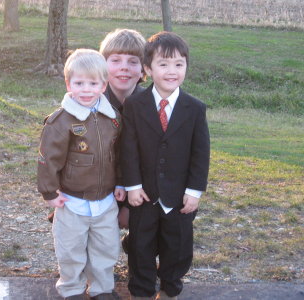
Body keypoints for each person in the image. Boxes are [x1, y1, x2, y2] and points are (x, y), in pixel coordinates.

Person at [121, 31, 210, 300]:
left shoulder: (194, 108)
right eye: (163, 64)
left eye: (178, 64)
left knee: (178, 246)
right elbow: (128, 148)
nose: (172, 71)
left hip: (179, 195)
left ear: (186, 67)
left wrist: (194, 192)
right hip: (144, 194)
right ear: (147, 69)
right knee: (140, 244)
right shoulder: (134, 105)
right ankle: (141, 289)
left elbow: (200, 153)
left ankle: (170, 287)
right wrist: (133, 186)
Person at [37, 49, 126, 300]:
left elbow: (119, 154)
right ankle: (72, 289)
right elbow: (47, 160)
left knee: (105, 248)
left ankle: (101, 288)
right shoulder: (61, 121)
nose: (86, 89)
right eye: (79, 83)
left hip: (105, 201)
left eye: (93, 83)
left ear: (104, 85)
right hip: (71, 201)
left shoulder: (113, 119)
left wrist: (120, 181)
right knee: (71, 250)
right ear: (68, 84)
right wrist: (49, 192)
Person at [99, 28, 146, 232]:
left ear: (144, 69)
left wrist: (128, 207)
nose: (124, 68)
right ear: (102, 65)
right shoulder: (89, 102)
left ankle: (136, 243)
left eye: (133, 61)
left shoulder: (150, 107)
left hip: (136, 188)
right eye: (115, 60)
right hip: (94, 186)